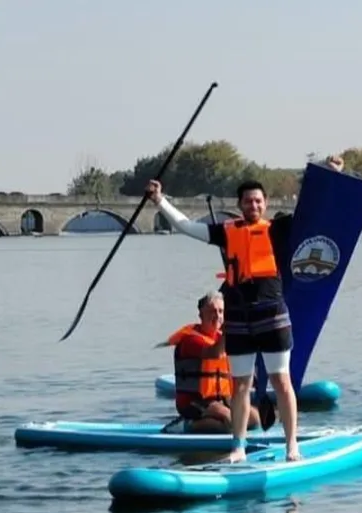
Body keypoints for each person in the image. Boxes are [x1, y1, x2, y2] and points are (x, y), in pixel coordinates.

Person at [145, 157, 345, 462]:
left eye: (258, 201)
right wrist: (160, 200)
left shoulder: (279, 228)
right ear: (240, 205)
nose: (253, 205)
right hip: (239, 321)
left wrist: (331, 175)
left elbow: (313, 209)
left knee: (281, 381)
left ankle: (292, 446)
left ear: (264, 204)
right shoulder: (226, 231)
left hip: (272, 316)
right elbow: (186, 226)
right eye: (248, 201)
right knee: (240, 386)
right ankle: (237, 448)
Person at [158, 291, 270, 434]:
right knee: (231, 423)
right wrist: (228, 331)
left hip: (222, 399)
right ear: (201, 315)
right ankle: (186, 425)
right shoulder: (191, 340)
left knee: (255, 419)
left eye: (221, 311)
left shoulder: (222, 338)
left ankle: (215, 421)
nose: (217, 316)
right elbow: (214, 353)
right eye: (212, 311)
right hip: (195, 401)